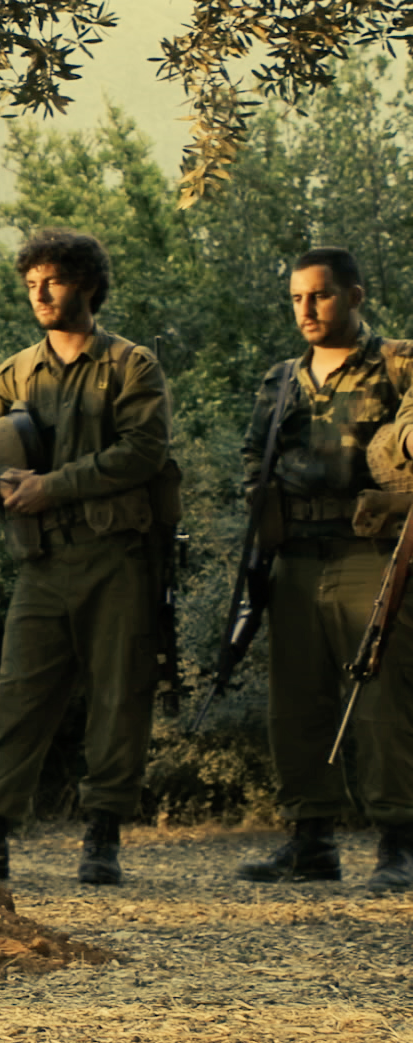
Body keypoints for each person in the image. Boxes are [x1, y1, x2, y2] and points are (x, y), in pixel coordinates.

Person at [0, 227, 173, 885]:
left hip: (116, 558)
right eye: (30, 284)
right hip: (42, 562)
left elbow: (143, 451)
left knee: (118, 698)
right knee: (16, 700)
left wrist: (50, 486)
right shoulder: (17, 372)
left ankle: (103, 836)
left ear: (85, 283)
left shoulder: (129, 365)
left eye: (52, 280)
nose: (40, 293)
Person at [236, 247, 413, 892]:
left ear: (355, 297)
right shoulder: (282, 379)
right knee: (296, 703)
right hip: (295, 556)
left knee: (383, 701)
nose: (307, 310)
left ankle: (399, 840)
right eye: (296, 299)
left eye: (321, 296)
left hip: (370, 552)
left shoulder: (398, 364)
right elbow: (255, 463)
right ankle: (310, 839)